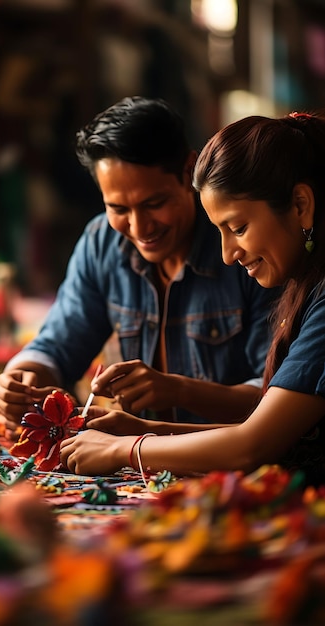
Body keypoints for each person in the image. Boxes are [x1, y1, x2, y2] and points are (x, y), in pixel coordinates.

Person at [59, 110, 325, 487]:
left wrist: (127, 449)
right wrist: (147, 428)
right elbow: (275, 433)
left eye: (238, 228)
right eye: (220, 232)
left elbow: (254, 445)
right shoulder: (306, 285)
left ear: (300, 205)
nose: (227, 254)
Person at [0, 97, 277, 427]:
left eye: (154, 203)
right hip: (138, 467)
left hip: (232, 467)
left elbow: (275, 399)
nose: (140, 228)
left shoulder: (243, 251)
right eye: (118, 209)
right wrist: (21, 379)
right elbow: (57, 346)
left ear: (188, 172)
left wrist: (180, 391)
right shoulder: (102, 244)